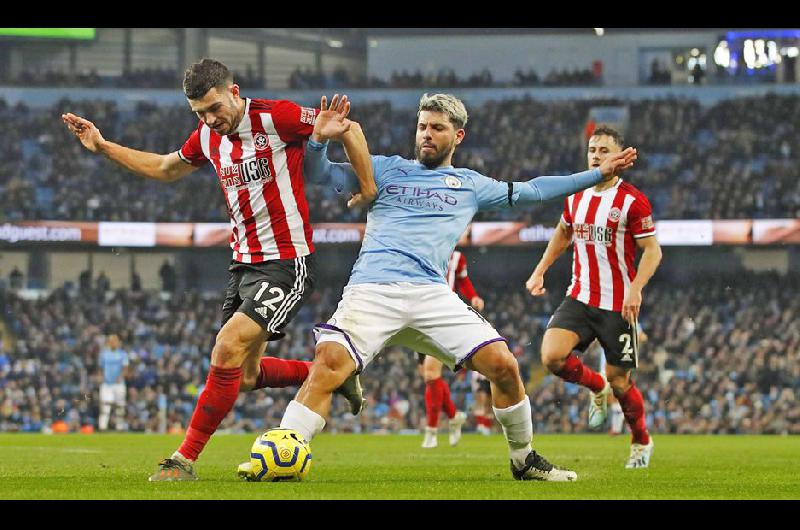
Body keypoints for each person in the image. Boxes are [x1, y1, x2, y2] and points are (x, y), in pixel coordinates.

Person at [268, 93, 637, 482]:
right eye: (423, 126)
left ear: (457, 136)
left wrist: (598, 174)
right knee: (327, 363)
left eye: (437, 128)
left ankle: (523, 459)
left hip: (431, 293)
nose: (427, 134)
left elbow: (535, 190)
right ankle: (286, 447)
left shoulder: (470, 185)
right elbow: (318, 173)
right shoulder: (383, 169)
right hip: (372, 289)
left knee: (504, 365)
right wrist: (318, 140)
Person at [62, 58, 375, 481]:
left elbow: (348, 127)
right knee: (244, 376)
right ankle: (335, 374)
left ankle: (183, 460)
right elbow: (164, 168)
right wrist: (103, 146)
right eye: (199, 114)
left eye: (214, 108)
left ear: (234, 91)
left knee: (226, 345)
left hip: (287, 261)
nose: (210, 120)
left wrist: (368, 187)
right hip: (243, 264)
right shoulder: (208, 138)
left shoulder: (276, 117)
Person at [525, 124, 662, 469]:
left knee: (622, 382)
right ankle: (595, 386)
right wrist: (540, 268)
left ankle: (641, 441)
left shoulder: (632, 200)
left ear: (617, 155)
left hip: (618, 305)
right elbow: (563, 233)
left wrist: (635, 288)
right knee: (552, 356)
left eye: (604, 150)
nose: (596, 156)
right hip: (581, 297)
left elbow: (653, 252)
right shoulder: (576, 195)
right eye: (592, 150)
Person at [417, 249, 483, 448]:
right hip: (418, 318)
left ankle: (431, 431)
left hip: (441, 317)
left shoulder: (456, 257)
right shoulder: (420, 251)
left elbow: (463, 280)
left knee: (430, 374)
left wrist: (473, 296)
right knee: (430, 378)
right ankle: (454, 417)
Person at [98, 334, 129, 431]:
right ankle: (102, 427)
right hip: (107, 384)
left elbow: (125, 367)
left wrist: (121, 376)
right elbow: (100, 368)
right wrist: (101, 377)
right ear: (109, 343)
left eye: (115, 341)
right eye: (111, 341)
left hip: (119, 384)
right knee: (105, 405)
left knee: (120, 406)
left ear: (118, 342)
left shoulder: (123, 354)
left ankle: (119, 427)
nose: (113, 343)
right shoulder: (104, 354)